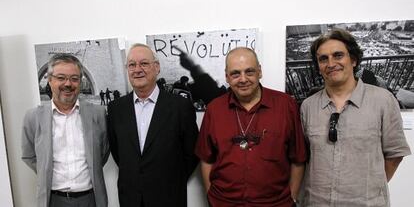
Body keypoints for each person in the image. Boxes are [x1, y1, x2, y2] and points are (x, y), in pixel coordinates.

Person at [300, 28, 411, 206]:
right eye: (323, 58)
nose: (331, 63)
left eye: (338, 55)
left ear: (353, 59)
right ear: (318, 66)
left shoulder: (383, 100)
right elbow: (303, 158)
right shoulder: (308, 106)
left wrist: (367, 189)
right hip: (316, 202)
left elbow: (395, 154)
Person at [195, 47, 307, 207]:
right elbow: (206, 158)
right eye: (235, 73)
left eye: (249, 71)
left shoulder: (286, 105)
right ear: (227, 76)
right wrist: (210, 196)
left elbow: (298, 158)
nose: (243, 79)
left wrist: (292, 198)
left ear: (259, 72)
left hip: (275, 204)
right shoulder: (214, 109)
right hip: (224, 203)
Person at [107, 43, 199, 207]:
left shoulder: (180, 107)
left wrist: (170, 180)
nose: (137, 69)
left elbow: (192, 153)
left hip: (169, 197)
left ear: (157, 67)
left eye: (144, 63)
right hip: (131, 199)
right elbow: (118, 152)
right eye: (132, 65)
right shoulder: (116, 109)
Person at [21, 53, 109, 207]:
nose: (68, 84)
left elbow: (103, 152)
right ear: (50, 80)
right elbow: (29, 156)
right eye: (61, 78)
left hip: (90, 199)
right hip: (53, 200)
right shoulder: (33, 117)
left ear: (80, 82)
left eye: (74, 78)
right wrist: (46, 169)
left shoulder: (98, 114)